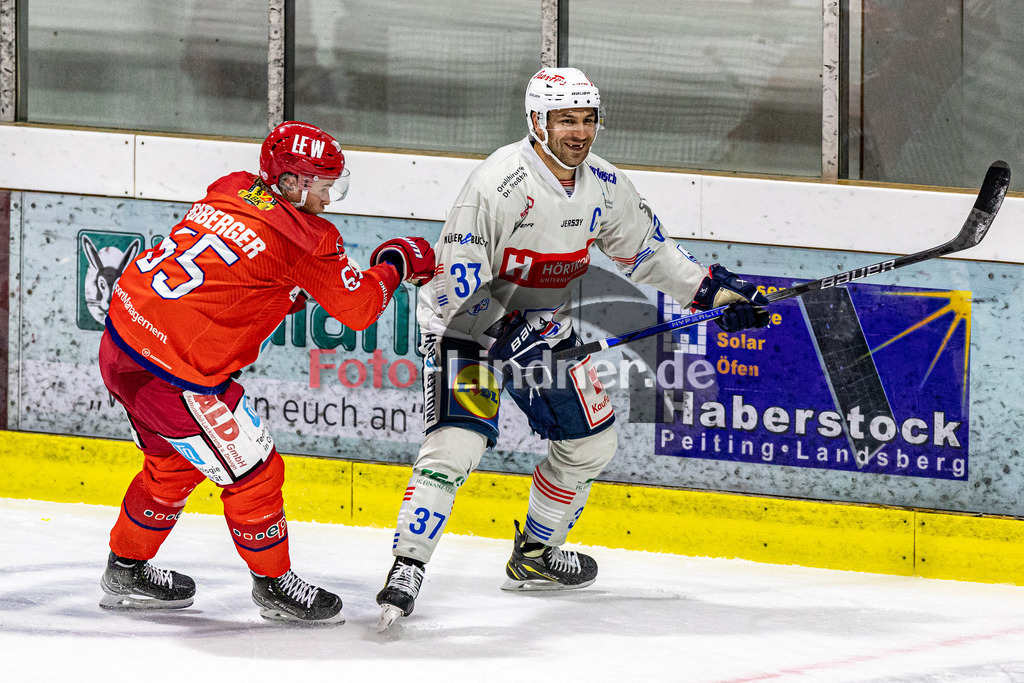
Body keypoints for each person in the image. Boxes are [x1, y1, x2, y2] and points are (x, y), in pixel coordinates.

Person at [374, 67, 770, 631]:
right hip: (467, 330)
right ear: (537, 122)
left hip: (540, 330)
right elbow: (455, 286)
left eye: (587, 120)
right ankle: (406, 567)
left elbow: (651, 255)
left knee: (591, 444)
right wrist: (513, 338)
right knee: (455, 448)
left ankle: (535, 554)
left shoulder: (605, 186)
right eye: (565, 120)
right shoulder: (498, 183)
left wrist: (714, 291)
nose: (579, 132)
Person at [97, 120, 435, 624]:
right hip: (176, 376)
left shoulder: (231, 187)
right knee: (256, 472)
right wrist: (396, 264)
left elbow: (235, 276)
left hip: (122, 346)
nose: (329, 195)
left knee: (173, 467)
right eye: (322, 184)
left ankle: (125, 569)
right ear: (293, 183)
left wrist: (283, 294)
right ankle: (274, 585)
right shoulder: (306, 239)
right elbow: (361, 308)